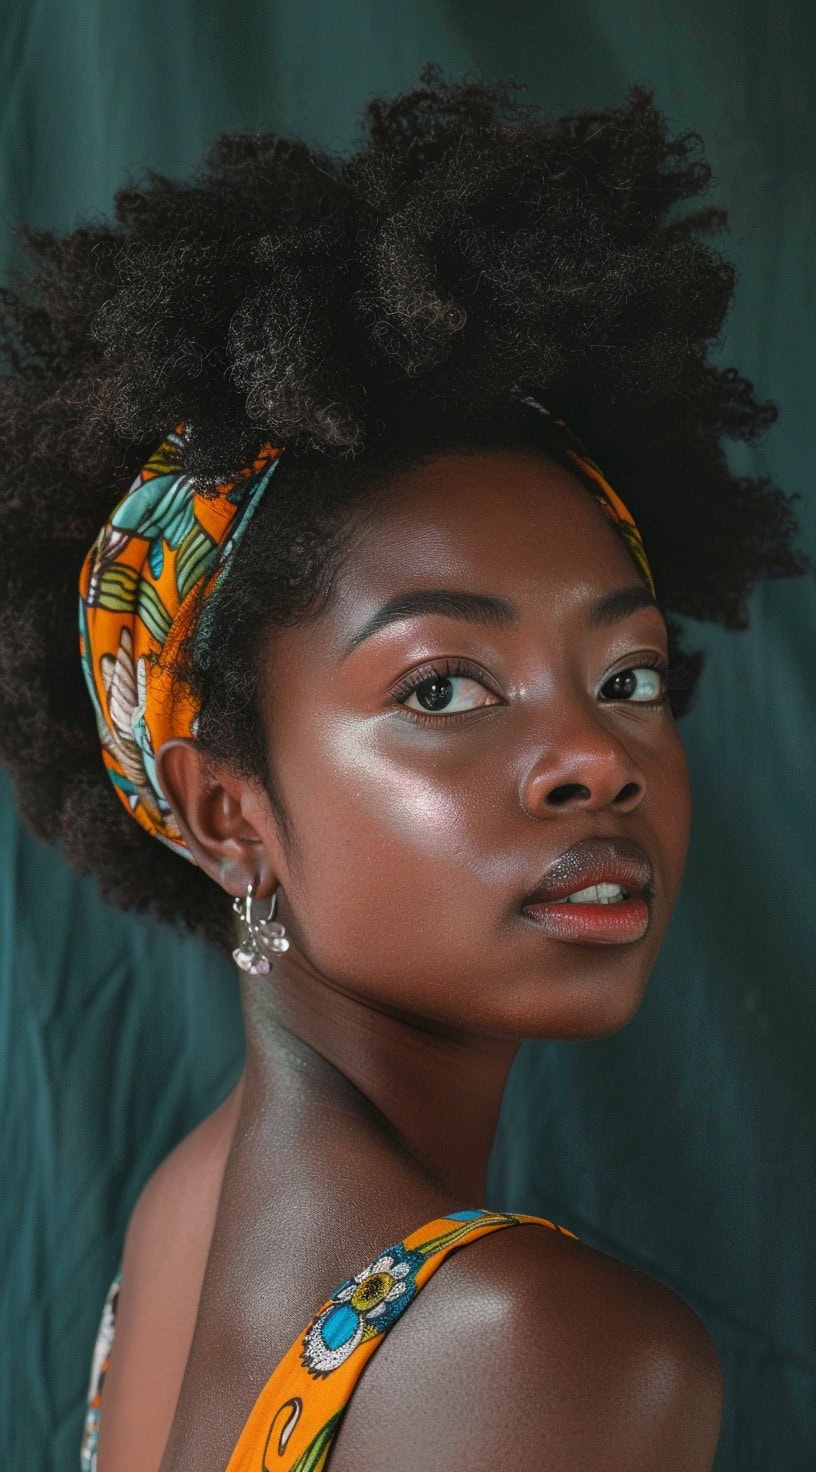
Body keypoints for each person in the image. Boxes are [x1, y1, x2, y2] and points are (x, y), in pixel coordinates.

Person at [0, 69, 808, 1472]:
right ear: (225, 812)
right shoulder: (539, 1353)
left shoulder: (185, 1209)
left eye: (624, 679)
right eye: (444, 688)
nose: (589, 764)